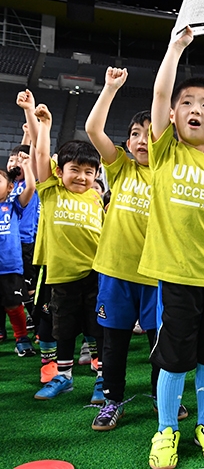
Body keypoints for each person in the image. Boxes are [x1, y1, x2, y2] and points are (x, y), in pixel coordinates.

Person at [141, 27, 204, 467]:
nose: (193, 109)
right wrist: (175, 48)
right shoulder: (164, 152)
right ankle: (166, 430)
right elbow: (161, 94)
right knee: (175, 357)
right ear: (173, 117)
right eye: (186, 104)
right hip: (179, 276)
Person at [84, 66, 187, 431]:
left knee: (161, 343)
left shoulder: (170, 169)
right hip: (115, 272)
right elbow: (93, 130)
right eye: (135, 134)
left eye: (149, 134)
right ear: (127, 142)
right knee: (114, 343)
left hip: (157, 274)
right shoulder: (120, 168)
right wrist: (110, 88)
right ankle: (112, 400)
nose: (142, 140)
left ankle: (165, 398)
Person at [31, 103, 105, 405]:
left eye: (89, 172)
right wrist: (45, 125)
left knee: (96, 328)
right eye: (75, 170)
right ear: (59, 171)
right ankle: (63, 376)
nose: (82, 177)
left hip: (94, 274)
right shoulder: (51, 191)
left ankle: (103, 377)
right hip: (61, 276)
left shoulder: (97, 198)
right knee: (63, 329)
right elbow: (39, 156)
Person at [0, 150, 36, 357]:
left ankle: (21, 338)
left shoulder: (12, 206)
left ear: (10, 187)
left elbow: (30, 186)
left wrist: (28, 166)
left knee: (14, 305)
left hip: (10, 266)